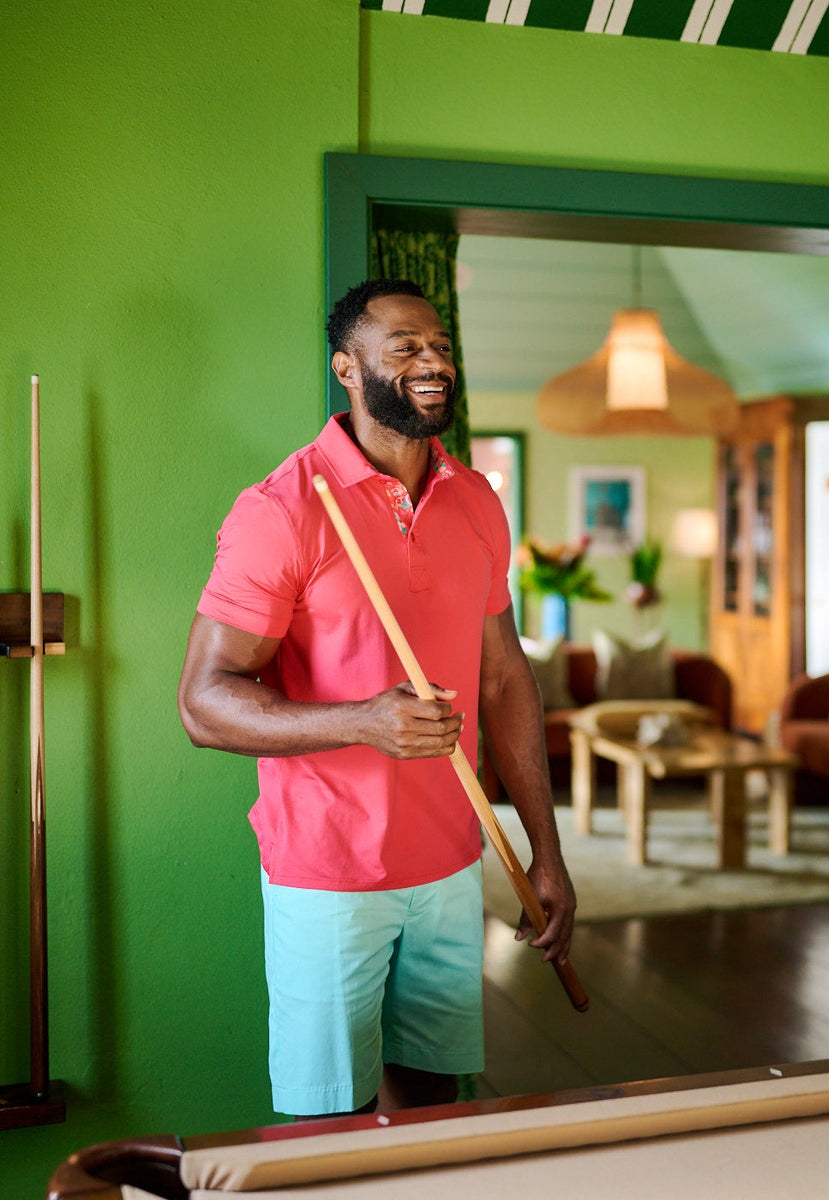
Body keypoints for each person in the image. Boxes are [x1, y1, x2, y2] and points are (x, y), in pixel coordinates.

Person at [178, 278, 576, 1118]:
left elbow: (504, 678)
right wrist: (364, 720)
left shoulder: (475, 502)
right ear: (347, 370)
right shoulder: (281, 510)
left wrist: (546, 847)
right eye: (404, 347)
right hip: (327, 869)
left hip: (449, 858)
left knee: (434, 1094)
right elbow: (203, 704)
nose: (432, 362)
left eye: (439, 346)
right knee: (332, 1119)